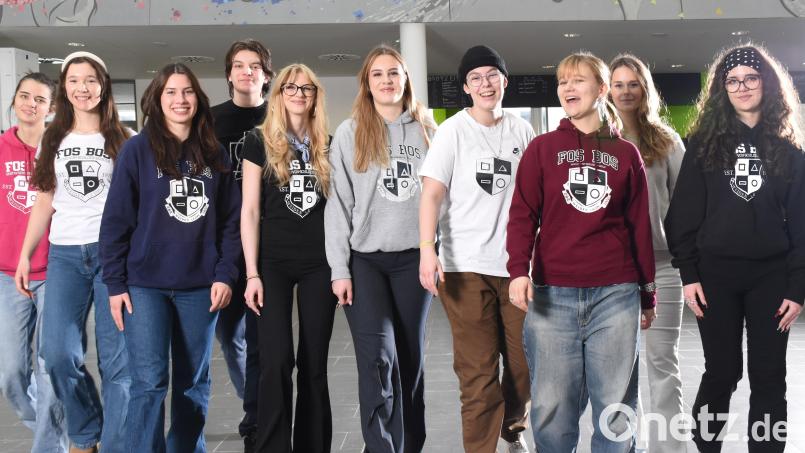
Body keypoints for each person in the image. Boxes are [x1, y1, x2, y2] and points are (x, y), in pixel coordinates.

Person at [506, 51, 657, 452]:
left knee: (615, 409)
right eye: (562, 81)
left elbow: (639, 226)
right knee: (552, 412)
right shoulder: (541, 149)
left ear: (601, 89)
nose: (568, 88)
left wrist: (647, 292)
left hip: (616, 293)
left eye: (578, 80)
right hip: (553, 294)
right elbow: (522, 215)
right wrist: (518, 270)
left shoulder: (626, 154)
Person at [665, 44, 804, 453]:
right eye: (733, 81)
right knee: (722, 372)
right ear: (722, 90)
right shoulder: (703, 145)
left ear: (767, 83)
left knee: (768, 375)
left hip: (771, 278)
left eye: (751, 77)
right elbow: (683, 217)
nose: (742, 87)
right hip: (715, 277)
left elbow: (801, 223)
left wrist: (797, 288)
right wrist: (689, 275)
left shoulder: (789, 150)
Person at [99, 62, 241, 452]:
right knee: (148, 383)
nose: (180, 100)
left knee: (193, 384)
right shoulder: (136, 150)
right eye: (171, 92)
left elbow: (231, 224)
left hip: (201, 286)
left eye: (187, 92)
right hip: (145, 286)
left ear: (198, 99)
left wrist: (225, 275)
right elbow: (115, 222)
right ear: (156, 100)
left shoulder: (217, 154)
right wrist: (115, 284)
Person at [418, 45, 533, 453]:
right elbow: (431, 194)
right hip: (464, 267)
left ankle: (513, 428)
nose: (485, 84)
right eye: (476, 78)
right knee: (478, 372)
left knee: (525, 364)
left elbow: (536, 199)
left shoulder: (522, 131)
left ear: (505, 80)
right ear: (466, 88)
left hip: (517, 267)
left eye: (492, 75)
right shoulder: (452, 132)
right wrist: (426, 250)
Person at [15, 51, 132, 453]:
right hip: (64, 255)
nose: (82, 88)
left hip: (112, 256)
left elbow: (138, 204)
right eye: (74, 80)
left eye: (90, 80)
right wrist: (27, 253)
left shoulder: (125, 138)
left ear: (103, 85)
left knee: (117, 363)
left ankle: (115, 443)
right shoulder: (54, 137)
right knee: (56, 355)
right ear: (64, 87)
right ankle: (85, 431)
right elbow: (44, 199)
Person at [325, 44, 435, 452]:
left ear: (405, 79)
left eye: (394, 72)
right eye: (378, 74)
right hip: (365, 262)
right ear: (366, 84)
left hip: (413, 261)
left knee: (410, 359)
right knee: (377, 359)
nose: (387, 80)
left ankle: (411, 445)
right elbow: (337, 205)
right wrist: (339, 269)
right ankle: (381, 446)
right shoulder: (352, 133)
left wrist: (435, 252)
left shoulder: (427, 130)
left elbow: (441, 197)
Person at [241, 63, 336, 453]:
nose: (298, 93)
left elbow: (340, 208)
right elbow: (248, 211)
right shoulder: (257, 141)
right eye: (290, 87)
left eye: (307, 88)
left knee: (313, 364)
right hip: (272, 265)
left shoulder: (327, 143)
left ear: (316, 96)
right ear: (278, 94)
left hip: (320, 263)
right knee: (276, 360)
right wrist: (251, 274)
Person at [609, 53, 687, 453]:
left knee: (661, 364)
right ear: (607, 89)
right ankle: (624, 446)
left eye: (633, 83)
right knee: (618, 374)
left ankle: (670, 448)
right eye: (618, 83)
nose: (625, 91)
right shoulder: (596, 139)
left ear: (645, 90)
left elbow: (687, 206)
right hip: (610, 271)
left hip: (661, 268)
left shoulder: (666, 141)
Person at [0, 72, 69, 453]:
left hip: (55, 270)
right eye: (24, 96)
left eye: (39, 99)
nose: (30, 104)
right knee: (11, 374)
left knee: (49, 368)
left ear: (51, 107)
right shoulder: (0, 149)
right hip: (7, 274)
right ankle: (55, 425)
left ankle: (49, 447)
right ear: (14, 100)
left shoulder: (60, 148)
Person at [210, 38, 273, 449]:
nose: (246, 71)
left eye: (255, 66)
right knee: (229, 335)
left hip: (265, 241)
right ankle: (253, 399)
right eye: (238, 65)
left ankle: (257, 412)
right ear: (229, 73)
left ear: (267, 75)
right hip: (219, 242)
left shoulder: (278, 117)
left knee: (262, 337)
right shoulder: (209, 120)